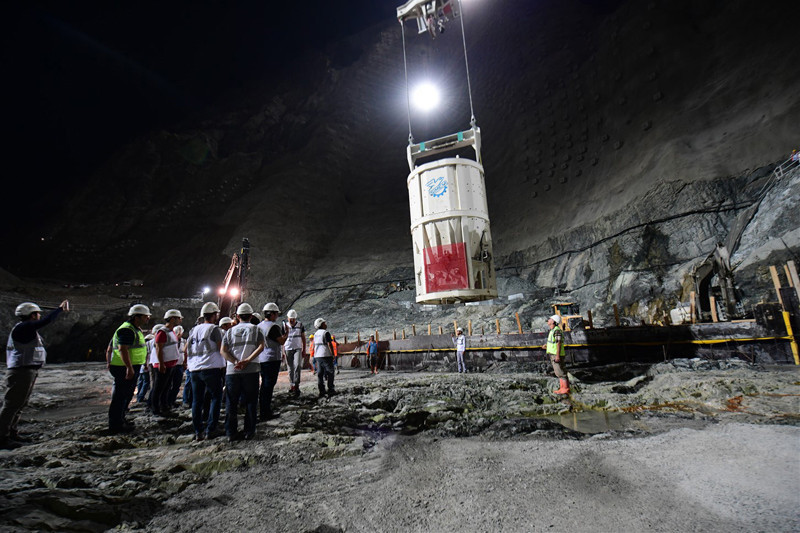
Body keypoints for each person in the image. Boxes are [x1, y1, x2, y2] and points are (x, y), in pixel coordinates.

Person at [1, 300, 69, 449]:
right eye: (37, 313)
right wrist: (59, 309)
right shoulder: (25, 327)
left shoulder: (25, 329)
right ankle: (2, 438)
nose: (39, 316)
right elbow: (46, 321)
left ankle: (11, 432)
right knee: (12, 404)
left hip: (26, 370)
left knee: (19, 404)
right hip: (21, 371)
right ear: (32, 315)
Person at [221, 303, 265, 441]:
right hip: (251, 370)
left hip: (232, 371)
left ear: (237, 316)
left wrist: (235, 362)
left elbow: (223, 351)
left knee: (231, 402)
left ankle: (230, 433)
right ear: (251, 316)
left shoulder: (229, 331)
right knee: (251, 401)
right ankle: (249, 431)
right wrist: (247, 360)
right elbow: (261, 346)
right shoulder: (256, 329)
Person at [108, 304, 150, 433]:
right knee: (120, 397)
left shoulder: (134, 329)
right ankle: (116, 425)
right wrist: (129, 368)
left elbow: (110, 348)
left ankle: (121, 420)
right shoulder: (127, 330)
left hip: (128, 367)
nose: (147, 318)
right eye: (145, 316)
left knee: (125, 396)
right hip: (124, 368)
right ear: (137, 317)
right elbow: (122, 349)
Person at [186, 302, 226, 441]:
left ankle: (198, 431)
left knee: (197, 400)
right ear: (214, 315)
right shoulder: (214, 330)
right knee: (216, 397)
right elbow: (222, 349)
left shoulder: (193, 330)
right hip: (211, 368)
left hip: (195, 370)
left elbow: (187, 349)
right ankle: (211, 429)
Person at [257, 303, 288, 421]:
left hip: (261, 358)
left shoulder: (259, 326)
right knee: (268, 386)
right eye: (276, 314)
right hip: (272, 359)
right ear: (272, 314)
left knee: (264, 385)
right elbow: (281, 341)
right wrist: (287, 333)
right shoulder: (273, 327)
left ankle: (263, 410)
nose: (277, 316)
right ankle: (265, 412)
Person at [151, 309, 183, 417]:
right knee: (159, 387)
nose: (180, 320)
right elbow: (158, 349)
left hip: (171, 364)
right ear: (172, 319)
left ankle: (164, 406)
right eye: (179, 318)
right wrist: (161, 363)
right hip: (164, 364)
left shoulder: (171, 332)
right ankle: (156, 408)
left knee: (166, 387)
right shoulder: (162, 332)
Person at [543, 315, 570, 395]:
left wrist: (557, 355)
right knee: (558, 372)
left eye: (550, 319)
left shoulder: (557, 331)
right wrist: (547, 346)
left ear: (553, 321)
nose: (548, 320)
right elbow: (554, 342)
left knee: (560, 371)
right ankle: (562, 388)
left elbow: (559, 343)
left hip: (556, 354)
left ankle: (565, 388)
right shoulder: (553, 330)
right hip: (554, 354)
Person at [282, 309, 305, 397]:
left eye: (293, 319)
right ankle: (292, 385)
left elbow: (303, 337)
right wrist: (282, 351)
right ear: (287, 318)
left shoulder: (300, 325)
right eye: (290, 319)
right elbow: (282, 338)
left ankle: (296, 385)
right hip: (288, 348)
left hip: (297, 348)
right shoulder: (284, 326)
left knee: (297, 366)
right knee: (290, 368)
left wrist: (303, 349)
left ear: (295, 319)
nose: (291, 321)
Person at [312, 318, 336, 398]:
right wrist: (333, 354)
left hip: (318, 356)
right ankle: (331, 389)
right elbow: (329, 344)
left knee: (320, 374)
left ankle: (321, 391)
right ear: (321, 324)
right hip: (326, 355)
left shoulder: (315, 334)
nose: (326, 324)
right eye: (324, 323)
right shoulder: (326, 333)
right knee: (330, 372)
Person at [167, 324, 187, 408]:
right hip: (171, 365)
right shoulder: (171, 340)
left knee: (177, 384)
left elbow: (185, 352)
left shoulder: (183, 341)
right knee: (168, 384)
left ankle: (172, 400)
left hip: (179, 365)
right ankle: (167, 401)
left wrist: (185, 362)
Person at [135, 333, 154, 404]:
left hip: (141, 366)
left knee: (141, 381)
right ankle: (141, 397)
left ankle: (139, 396)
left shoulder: (142, 346)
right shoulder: (147, 346)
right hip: (145, 366)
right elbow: (145, 356)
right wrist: (145, 364)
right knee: (146, 382)